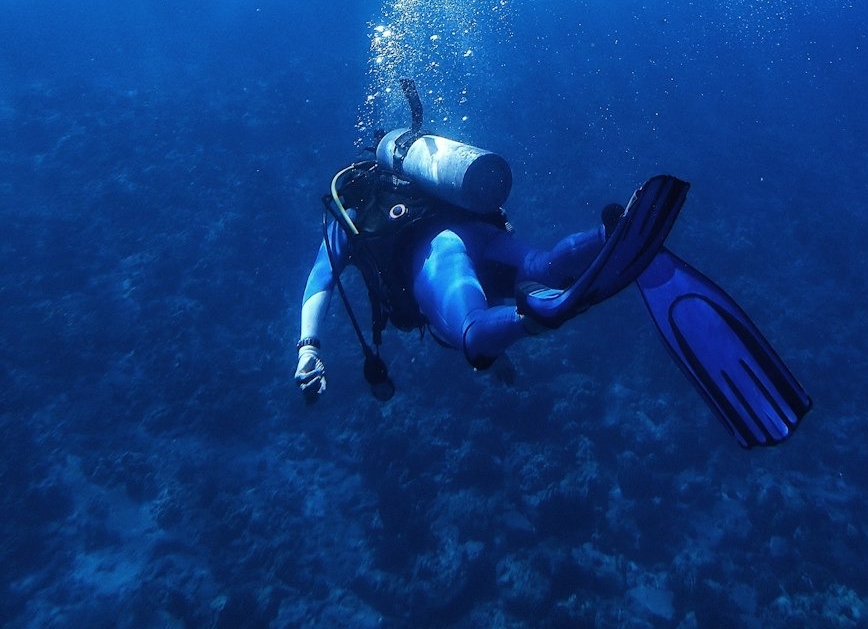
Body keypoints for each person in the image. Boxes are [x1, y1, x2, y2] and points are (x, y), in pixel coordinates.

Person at [294, 80, 812, 449]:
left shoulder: (350, 205)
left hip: (435, 253)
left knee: (471, 332)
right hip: (475, 230)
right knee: (542, 263)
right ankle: (609, 233)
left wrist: (309, 347)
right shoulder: (420, 180)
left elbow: (321, 281)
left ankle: (535, 315)